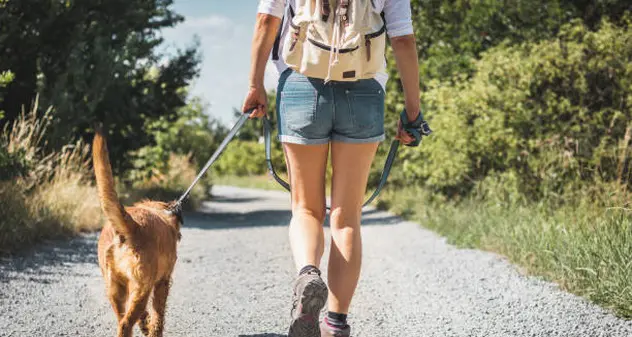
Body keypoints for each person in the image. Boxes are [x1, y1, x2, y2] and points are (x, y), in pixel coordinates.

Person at [243, 1, 423, 336]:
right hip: (365, 91)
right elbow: (403, 40)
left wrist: (255, 85)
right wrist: (413, 112)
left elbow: (267, 20)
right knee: (346, 218)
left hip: (300, 87)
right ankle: (336, 324)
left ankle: (308, 274)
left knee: (306, 208)